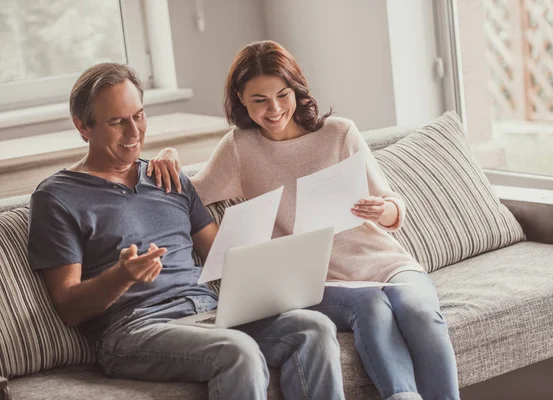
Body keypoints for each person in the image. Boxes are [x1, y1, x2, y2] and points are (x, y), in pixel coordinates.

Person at [150, 41, 461, 400]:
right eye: (259, 100)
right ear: (241, 99)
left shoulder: (339, 134)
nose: (274, 109)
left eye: (282, 95)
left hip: (384, 262)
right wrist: (167, 154)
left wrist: (385, 210)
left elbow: (393, 203)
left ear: (296, 89)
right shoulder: (240, 148)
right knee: (372, 306)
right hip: (315, 280)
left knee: (420, 312)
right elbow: (189, 193)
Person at [27, 62, 345, 400]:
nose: (134, 134)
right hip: (134, 328)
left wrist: (284, 258)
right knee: (238, 351)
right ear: (83, 126)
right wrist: (123, 275)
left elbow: (225, 258)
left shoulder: (169, 178)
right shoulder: (56, 197)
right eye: (117, 122)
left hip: (207, 313)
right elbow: (68, 306)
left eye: (139, 116)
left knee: (314, 327)